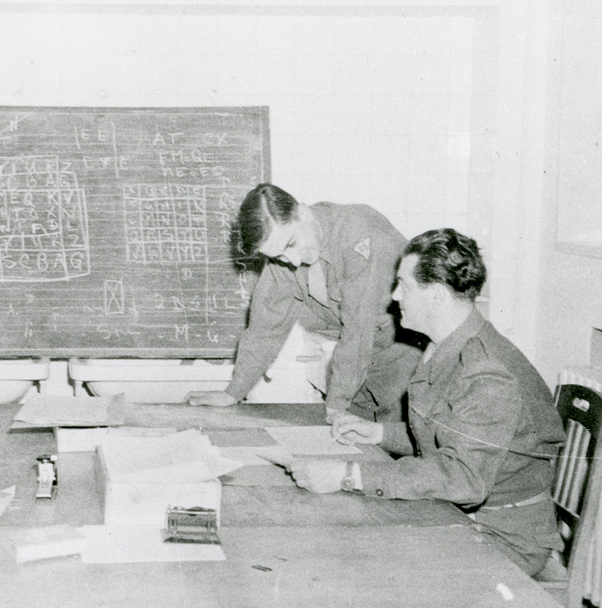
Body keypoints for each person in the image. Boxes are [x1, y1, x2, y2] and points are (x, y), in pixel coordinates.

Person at [290, 229, 564, 576]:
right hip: (461, 515)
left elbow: (463, 476)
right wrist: (378, 433)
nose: (394, 295)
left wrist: (348, 474)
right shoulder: (447, 344)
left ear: (435, 295)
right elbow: (449, 436)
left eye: (403, 284)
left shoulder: (487, 372)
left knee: (362, 567)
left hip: (502, 536)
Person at [186, 184, 422, 425]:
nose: (294, 261)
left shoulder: (359, 234)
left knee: (396, 440)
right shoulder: (285, 257)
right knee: (355, 440)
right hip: (359, 362)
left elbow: (358, 331)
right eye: (278, 256)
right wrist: (233, 393)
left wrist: (336, 405)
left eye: (291, 244)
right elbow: (265, 327)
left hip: (406, 353)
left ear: (304, 213)